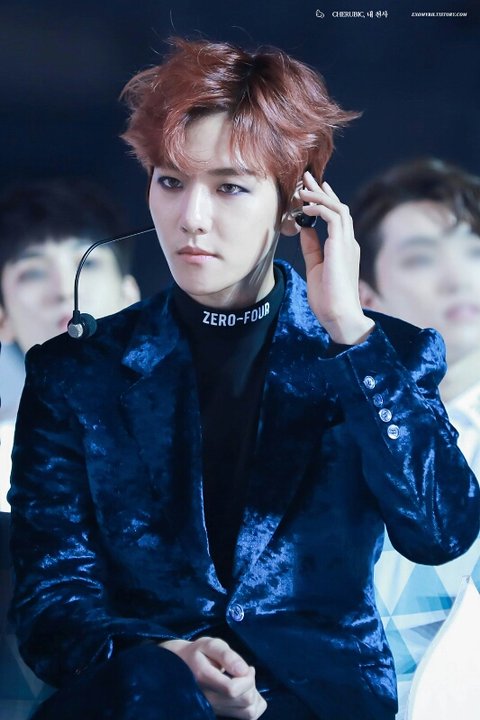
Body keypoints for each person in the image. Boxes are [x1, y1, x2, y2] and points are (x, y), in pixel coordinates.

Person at [7, 40, 479, 720]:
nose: (191, 217)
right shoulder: (77, 372)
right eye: (171, 181)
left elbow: (440, 532)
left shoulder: (385, 355)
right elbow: (51, 602)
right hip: (143, 698)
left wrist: (349, 331)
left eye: (229, 187)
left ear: (294, 207)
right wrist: (166, 658)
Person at [352, 157, 480, 718]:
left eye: (474, 250)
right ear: (366, 296)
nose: (458, 278)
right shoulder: (340, 440)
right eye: (421, 258)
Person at [0, 178, 140, 511]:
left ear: (130, 294)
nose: (65, 289)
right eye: (33, 272)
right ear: (2, 319)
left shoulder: (196, 419)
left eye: (87, 263)